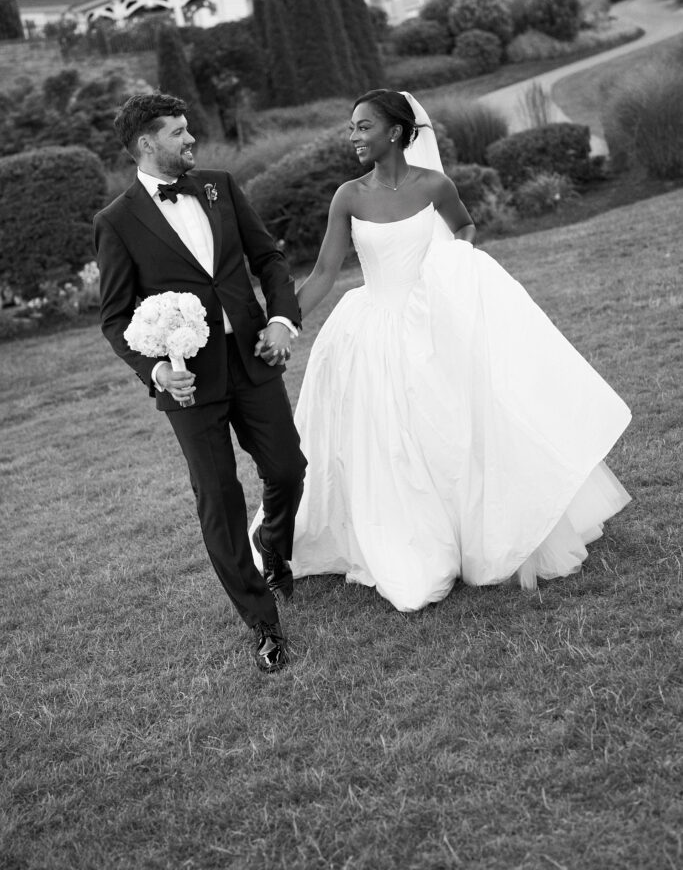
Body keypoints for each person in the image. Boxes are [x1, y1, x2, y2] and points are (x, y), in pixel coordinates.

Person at [253, 89, 631, 612]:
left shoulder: (435, 185)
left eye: (363, 126)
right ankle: (403, 540)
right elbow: (322, 273)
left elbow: (466, 228)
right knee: (385, 442)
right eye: (351, 127)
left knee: (450, 431)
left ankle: (465, 532)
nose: (353, 136)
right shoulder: (349, 196)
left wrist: (454, 268)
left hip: (433, 326)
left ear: (395, 132)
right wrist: (282, 324)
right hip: (370, 333)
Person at [94, 92, 306, 672]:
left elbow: (269, 259)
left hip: (253, 357)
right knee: (218, 499)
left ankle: (273, 546)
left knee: (289, 468)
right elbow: (115, 318)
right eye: (179, 133)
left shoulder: (219, 185)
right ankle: (263, 623)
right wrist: (158, 369)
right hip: (187, 382)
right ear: (147, 144)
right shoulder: (115, 222)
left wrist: (283, 321)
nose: (192, 141)